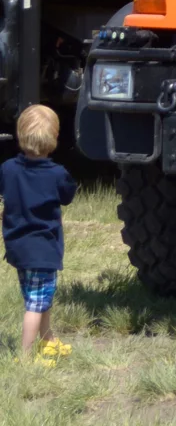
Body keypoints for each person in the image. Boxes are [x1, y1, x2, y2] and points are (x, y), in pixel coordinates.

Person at [2, 105, 77, 359]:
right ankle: (25, 357)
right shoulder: (57, 174)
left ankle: (48, 340)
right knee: (35, 304)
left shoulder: (8, 168)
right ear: (54, 137)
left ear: (20, 134)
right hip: (43, 248)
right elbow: (67, 196)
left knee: (41, 296)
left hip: (18, 246)